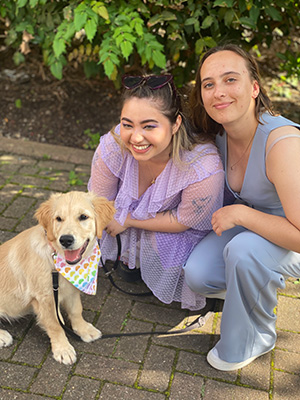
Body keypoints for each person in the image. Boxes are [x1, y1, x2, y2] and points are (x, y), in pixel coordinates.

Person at [184, 43, 300, 370]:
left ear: (254, 88)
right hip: (253, 227)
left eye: (230, 79)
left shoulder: (283, 145)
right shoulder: (219, 132)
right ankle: (247, 287)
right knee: (198, 274)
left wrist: (241, 214)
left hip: (292, 237)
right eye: (208, 84)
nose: (218, 91)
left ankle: (255, 336)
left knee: (245, 252)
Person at [88, 74, 224, 310]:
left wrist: (127, 219)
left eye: (149, 126)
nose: (136, 137)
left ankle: (161, 266)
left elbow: (183, 221)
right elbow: (100, 201)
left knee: (167, 241)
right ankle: (131, 258)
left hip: (178, 225)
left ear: (176, 124)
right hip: (129, 218)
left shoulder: (203, 167)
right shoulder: (112, 146)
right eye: (127, 124)